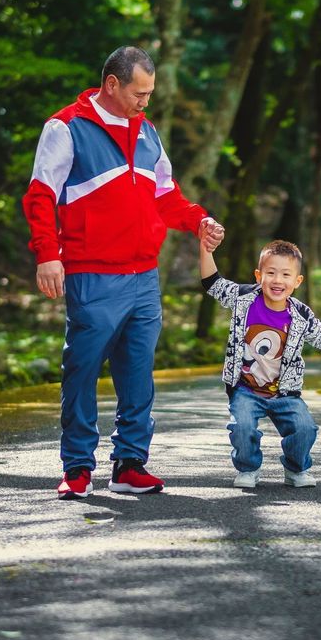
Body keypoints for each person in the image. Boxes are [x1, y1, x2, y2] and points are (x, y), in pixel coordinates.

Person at [22, 45, 224, 499]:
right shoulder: (67, 127)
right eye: (139, 92)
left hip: (144, 276)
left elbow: (166, 197)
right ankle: (77, 468)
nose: (145, 102)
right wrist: (46, 253)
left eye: (150, 93)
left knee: (138, 373)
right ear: (111, 84)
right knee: (83, 369)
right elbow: (39, 196)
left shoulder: (148, 132)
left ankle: (130, 464)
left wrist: (198, 220)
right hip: (92, 273)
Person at [200, 237, 321, 488]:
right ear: (258, 275)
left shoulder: (301, 314)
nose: (277, 280)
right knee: (242, 427)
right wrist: (206, 250)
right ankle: (248, 468)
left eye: (286, 275)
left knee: (305, 428)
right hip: (245, 390)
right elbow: (213, 283)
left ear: (297, 282)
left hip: (284, 394)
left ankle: (296, 468)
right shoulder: (244, 299)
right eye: (271, 273)